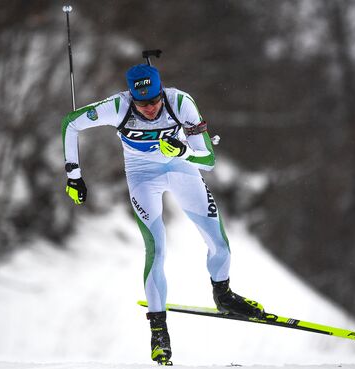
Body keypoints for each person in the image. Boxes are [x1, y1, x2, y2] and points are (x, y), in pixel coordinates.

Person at [61, 63, 264, 364]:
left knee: (218, 241)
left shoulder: (180, 102)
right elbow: (71, 122)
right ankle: (159, 332)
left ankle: (223, 295)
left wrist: (183, 152)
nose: (151, 109)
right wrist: (74, 175)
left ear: (161, 91)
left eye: (155, 100)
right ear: (132, 96)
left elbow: (207, 159)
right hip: (142, 177)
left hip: (182, 169)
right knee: (156, 250)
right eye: (142, 104)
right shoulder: (118, 106)